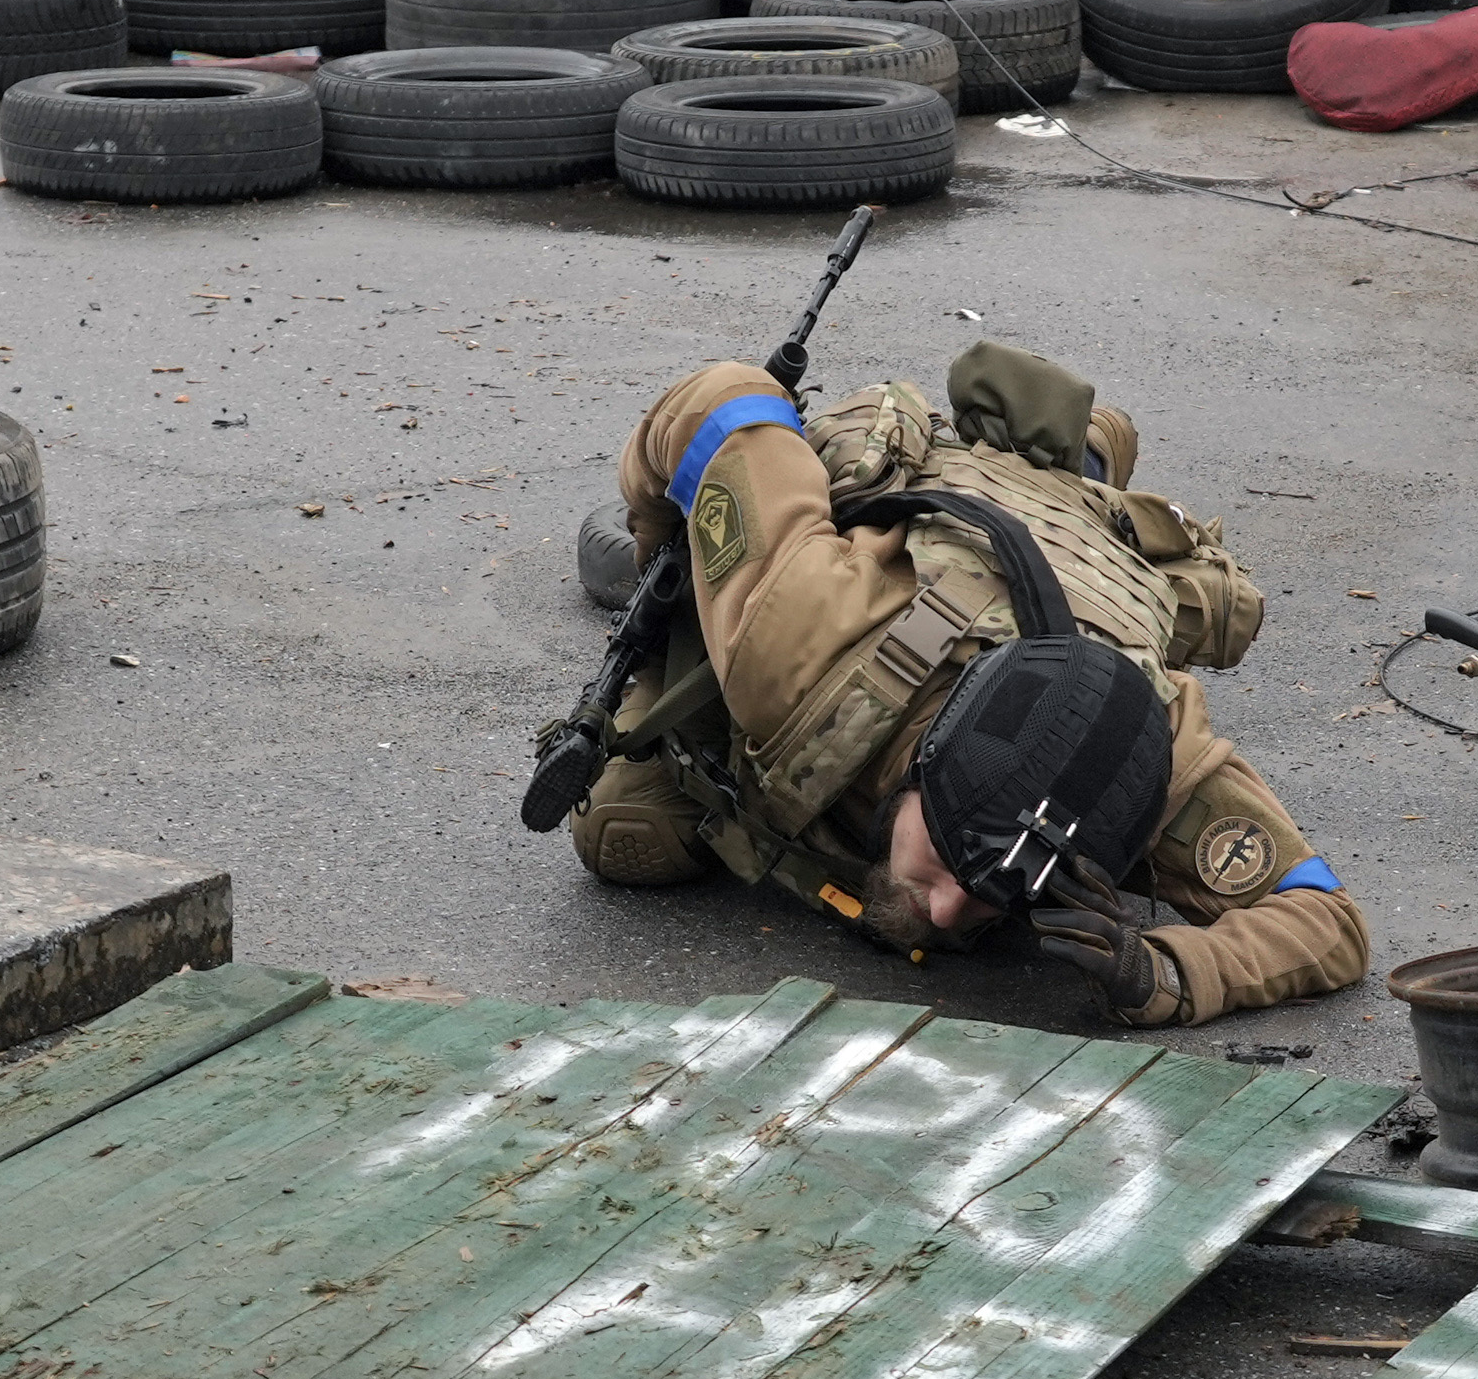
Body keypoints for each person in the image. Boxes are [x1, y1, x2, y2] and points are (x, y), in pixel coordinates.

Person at [568, 338, 1367, 1030]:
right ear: (924, 764)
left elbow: (1326, 921)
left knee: (1072, 491)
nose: (949, 909)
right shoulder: (805, 640)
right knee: (625, 831)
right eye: (952, 856)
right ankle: (1062, 458)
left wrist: (1165, 972)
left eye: (996, 884)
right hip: (925, 541)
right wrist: (662, 560)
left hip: (1090, 566)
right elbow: (725, 401)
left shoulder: (1144, 759)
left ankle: (1081, 469)